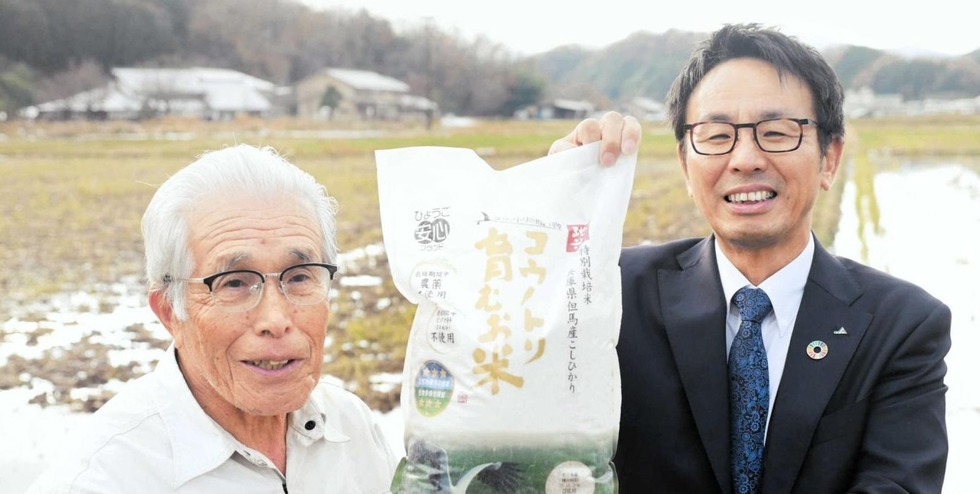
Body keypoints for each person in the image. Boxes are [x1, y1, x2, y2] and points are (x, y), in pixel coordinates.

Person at [551, 23, 951, 494]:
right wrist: (551, 226)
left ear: (829, 159)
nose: (744, 159)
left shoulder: (901, 325)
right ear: (685, 164)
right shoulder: (612, 292)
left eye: (777, 132)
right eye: (717, 135)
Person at [27, 145, 397, 493]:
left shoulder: (352, 428)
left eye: (300, 276)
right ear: (170, 311)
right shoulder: (105, 478)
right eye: (234, 283)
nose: (276, 319)